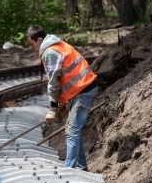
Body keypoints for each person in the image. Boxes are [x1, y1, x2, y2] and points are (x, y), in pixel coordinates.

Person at [25, 25, 98, 170]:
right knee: (73, 130)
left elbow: (54, 82)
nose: (30, 48)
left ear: (39, 40)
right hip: (83, 88)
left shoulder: (50, 52)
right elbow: (66, 78)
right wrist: (61, 103)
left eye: (31, 44)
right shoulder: (57, 45)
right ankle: (81, 167)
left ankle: (69, 169)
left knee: (72, 130)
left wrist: (53, 107)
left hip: (84, 90)